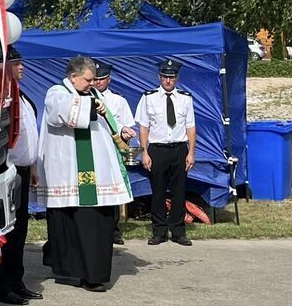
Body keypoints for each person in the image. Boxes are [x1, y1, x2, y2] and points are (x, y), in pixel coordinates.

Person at [37, 56, 133, 292]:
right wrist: (91, 106)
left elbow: (109, 125)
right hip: (69, 174)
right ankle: (72, 272)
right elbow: (59, 113)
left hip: (98, 175)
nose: (93, 83)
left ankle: (94, 271)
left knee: (99, 221)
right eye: (89, 79)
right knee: (72, 224)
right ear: (73, 77)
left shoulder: (94, 95)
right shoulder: (57, 92)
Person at [0, 48, 42, 305]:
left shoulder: (23, 95)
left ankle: (16, 280)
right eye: (17, 63)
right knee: (1, 231)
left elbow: (28, 133)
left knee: (19, 229)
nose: (22, 68)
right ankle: (0, 286)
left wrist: (31, 166)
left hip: (21, 169)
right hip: (3, 171)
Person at [135, 59, 196, 246]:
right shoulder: (148, 97)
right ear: (159, 77)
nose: (168, 80)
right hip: (157, 150)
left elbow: (191, 127)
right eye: (164, 77)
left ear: (177, 78)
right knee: (158, 191)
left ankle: (178, 231)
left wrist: (191, 152)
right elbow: (143, 127)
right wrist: (144, 153)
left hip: (178, 149)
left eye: (171, 77)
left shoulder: (185, 98)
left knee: (179, 192)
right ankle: (159, 231)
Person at [91, 60, 137, 245]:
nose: (97, 83)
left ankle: (114, 228)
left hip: (113, 149)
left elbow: (125, 124)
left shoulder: (119, 100)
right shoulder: (86, 97)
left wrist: (125, 131)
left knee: (113, 187)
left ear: (108, 79)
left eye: (101, 79)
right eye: (94, 79)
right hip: (94, 148)